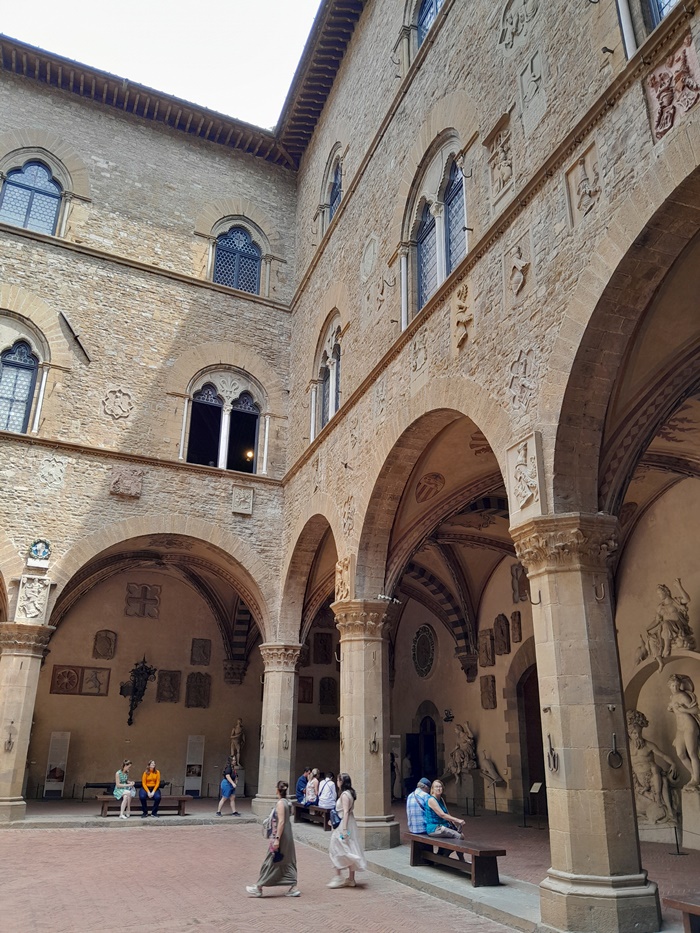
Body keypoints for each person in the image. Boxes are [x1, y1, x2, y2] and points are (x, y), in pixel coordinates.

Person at [246, 780, 300, 898]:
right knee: (287, 860)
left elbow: (281, 822)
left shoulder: (281, 803)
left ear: (277, 790)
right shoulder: (288, 802)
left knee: (270, 860)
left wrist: (277, 839)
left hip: (282, 835)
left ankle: (259, 887)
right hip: (288, 834)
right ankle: (293, 886)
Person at [328, 772, 367, 889]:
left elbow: (345, 812)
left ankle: (338, 876)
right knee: (348, 846)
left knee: (336, 846)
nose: (337, 782)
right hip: (349, 823)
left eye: (339, 780)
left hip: (343, 825)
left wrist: (343, 829)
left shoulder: (345, 795)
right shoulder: (350, 793)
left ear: (342, 782)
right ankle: (350, 878)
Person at [668, 673, 700, 789]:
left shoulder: (683, 696)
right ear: (669, 686)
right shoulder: (672, 697)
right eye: (672, 686)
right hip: (680, 728)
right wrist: (671, 709)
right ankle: (694, 775)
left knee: (692, 753)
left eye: (677, 685)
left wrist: (683, 709)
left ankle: (696, 779)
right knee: (680, 754)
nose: (675, 688)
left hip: (689, 726)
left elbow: (696, 709)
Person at [426, 779, 465, 858]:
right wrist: (458, 820)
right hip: (435, 828)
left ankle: (444, 854)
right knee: (459, 837)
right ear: (432, 789)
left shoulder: (441, 799)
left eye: (440, 786)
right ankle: (457, 859)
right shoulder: (431, 800)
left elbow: (447, 813)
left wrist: (453, 824)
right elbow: (442, 814)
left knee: (461, 835)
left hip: (444, 826)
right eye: (436, 787)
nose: (439, 788)